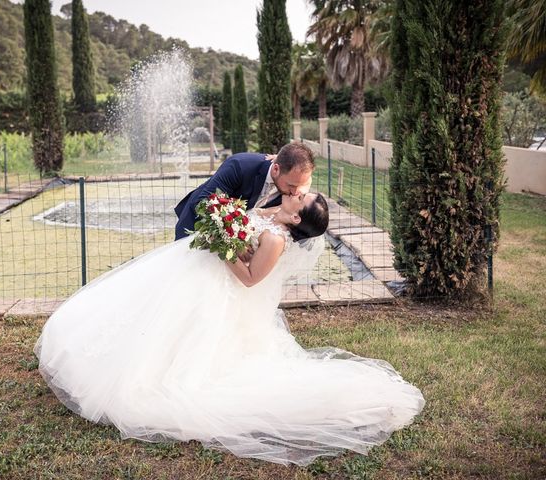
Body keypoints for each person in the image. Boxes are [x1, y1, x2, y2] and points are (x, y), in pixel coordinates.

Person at [35, 192, 425, 467]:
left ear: (296, 217)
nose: (297, 194)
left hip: (219, 289)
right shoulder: (273, 217)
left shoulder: (276, 239)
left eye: (301, 199)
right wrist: (227, 225)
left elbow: (251, 280)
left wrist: (223, 244)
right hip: (197, 276)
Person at [174, 142, 315, 240]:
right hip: (195, 229)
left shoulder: (295, 183)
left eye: (300, 186)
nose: (295, 192)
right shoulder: (239, 166)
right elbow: (203, 203)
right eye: (291, 185)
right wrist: (234, 241)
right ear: (276, 169)